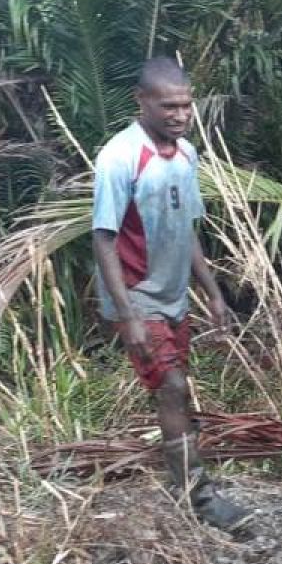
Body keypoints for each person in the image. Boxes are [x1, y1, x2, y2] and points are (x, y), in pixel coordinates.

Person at [92, 57, 249, 531]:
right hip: (138, 296)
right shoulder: (119, 157)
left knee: (175, 389)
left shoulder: (186, 155)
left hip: (175, 297)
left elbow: (188, 230)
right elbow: (103, 238)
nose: (181, 115)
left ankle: (186, 474)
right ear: (141, 102)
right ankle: (198, 497)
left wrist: (214, 293)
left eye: (186, 105)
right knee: (172, 387)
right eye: (169, 106)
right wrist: (127, 314)